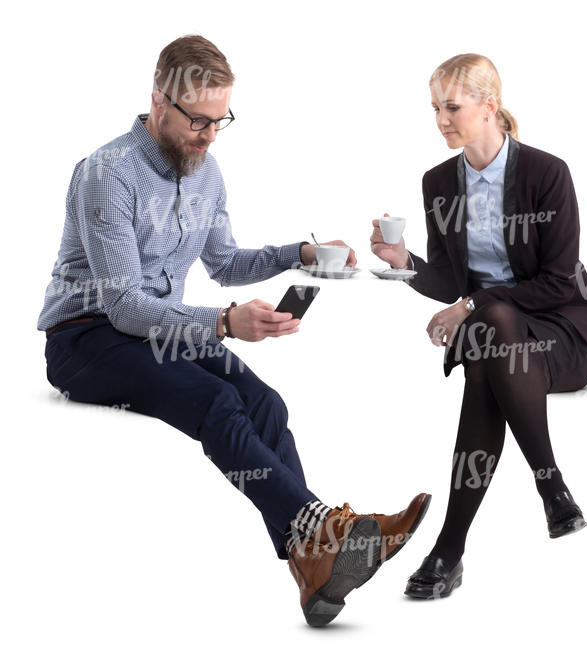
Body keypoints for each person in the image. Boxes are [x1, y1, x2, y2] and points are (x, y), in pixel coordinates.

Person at [36, 34, 432, 626]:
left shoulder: (206, 171)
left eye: (222, 121)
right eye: (199, 120)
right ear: (158, 101)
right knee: (219, 400)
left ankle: (314, 567)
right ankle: (330, 530)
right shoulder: (106, 174)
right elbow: (122, 306)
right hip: (85, 334)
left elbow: (223, 264)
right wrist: (222, 323)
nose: (210, 135)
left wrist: (299, 251)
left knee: (267, 404)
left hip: (155, 331)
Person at [369, 53, 587, 600]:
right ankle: (549, 493)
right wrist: (402, 261)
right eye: (434, 108)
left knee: (491, 328)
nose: (441, 120)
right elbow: (450, 279)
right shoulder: (438, 182)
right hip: (499, 339)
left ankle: (449, 548)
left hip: (566, 334)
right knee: (491, 341)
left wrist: (470, 307)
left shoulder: (546, 173)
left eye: (452, 107)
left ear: (491, 106)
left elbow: (559, 281)